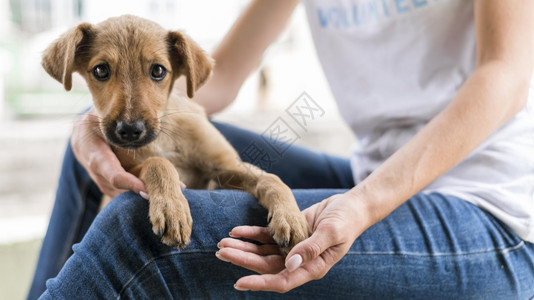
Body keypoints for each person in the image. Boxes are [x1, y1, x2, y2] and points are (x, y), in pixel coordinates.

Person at [28, 0, 534, 298]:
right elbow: (215, 80)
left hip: (491, 207)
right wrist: (95, 122)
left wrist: (362, 204)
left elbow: (506, 77)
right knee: (95, 158)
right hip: (369, 171)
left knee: (136, 229)